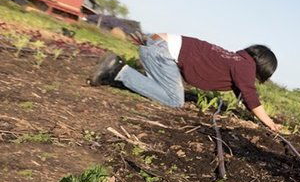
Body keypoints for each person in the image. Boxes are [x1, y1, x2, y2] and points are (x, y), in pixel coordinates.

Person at [89, 33, 282, 131]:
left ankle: (122, 73)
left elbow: (242, 93)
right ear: (261, 67)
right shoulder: (245, 67)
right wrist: (270, 123)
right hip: (160, 51)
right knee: (175, 99)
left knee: (169, 90)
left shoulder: (236, 59)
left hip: (155, 43)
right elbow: (250, 95)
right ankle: (118, 70)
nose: (254, 80)